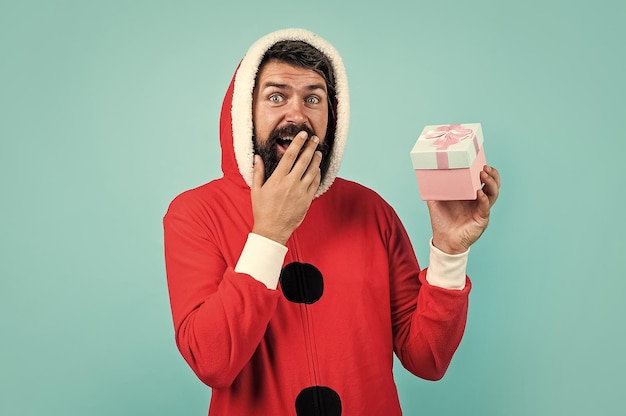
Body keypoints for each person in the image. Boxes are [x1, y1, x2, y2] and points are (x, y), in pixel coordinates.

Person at [163, 28, 500, 416]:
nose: (297, 114)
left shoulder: (370, 210)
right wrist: (270, 233)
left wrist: (450, 252)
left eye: (313, 98)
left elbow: (427, 359)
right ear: (243, 112)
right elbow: (212, 361)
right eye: (276, 97)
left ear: (332, 116)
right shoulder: (195, 213)